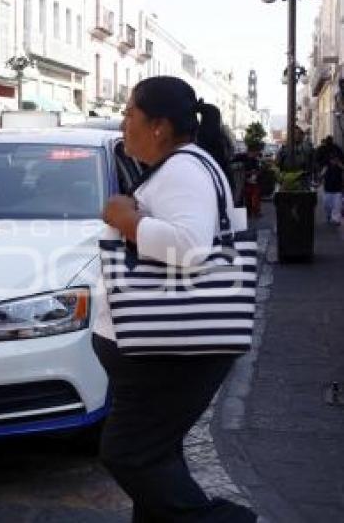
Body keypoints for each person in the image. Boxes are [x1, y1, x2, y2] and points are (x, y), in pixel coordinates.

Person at [96, 76, 258, 522]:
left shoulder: (185, 168)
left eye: (130, 113)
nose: (123, 122)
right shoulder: (181, 167)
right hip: (162, 352)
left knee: (129, 454)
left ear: (160, 127)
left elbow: (187, 247)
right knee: (157, 455)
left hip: (169, 352)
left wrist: (124, 216)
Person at [321, 149, 343, 225]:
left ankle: (337, 219)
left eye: (336, 159)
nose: (334, 161)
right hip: (328, 190)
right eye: (333, 159)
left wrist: (341, 166)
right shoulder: (326, 167)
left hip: (337, 190)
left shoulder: (340, 166)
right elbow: (321, 175)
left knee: (337, 205)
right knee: (327, 205)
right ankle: (329, 215)